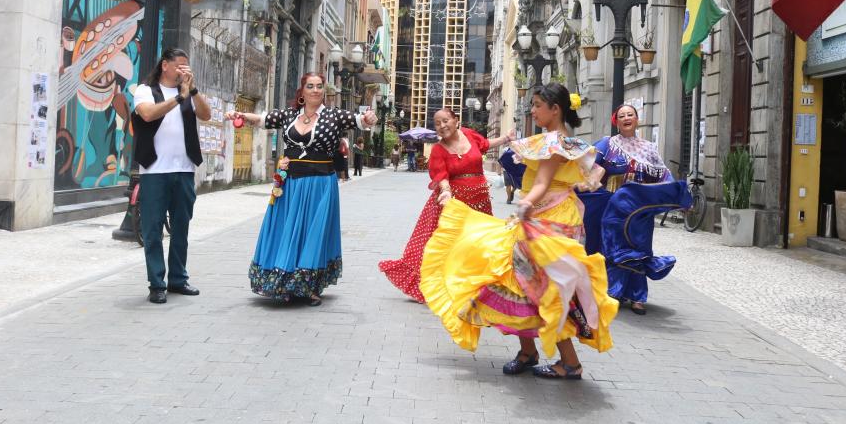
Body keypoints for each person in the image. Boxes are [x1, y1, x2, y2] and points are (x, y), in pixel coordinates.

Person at [420, 83, 618, 379]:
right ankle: (530, 352)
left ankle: (569, 362)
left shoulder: (554, 143)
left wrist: (525, 203)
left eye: (537, 105)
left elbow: (542, 182)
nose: (532, 110)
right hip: (549, 215)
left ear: (555, 109)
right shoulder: (558, 140)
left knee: (544, 287)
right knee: (523, 282)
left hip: (548, 219)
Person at [227, 73, 377, 306]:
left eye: (319, 86)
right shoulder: (289, 115)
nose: (315, 90)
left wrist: (369, 118)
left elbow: (361, 120)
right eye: (310, 86)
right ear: (303, 91)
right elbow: (262, 120)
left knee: (313, 233)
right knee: (287, 228)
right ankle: (285, 280)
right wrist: (241, 115)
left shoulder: (335, 116)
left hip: (320, 184)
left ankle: (309, 286)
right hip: (291, 184)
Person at [378, 109, 514, 303]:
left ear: (456, 121)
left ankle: (474, 285)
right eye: (437, 123)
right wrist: (446, 191)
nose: (442, 126)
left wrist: (505, 139)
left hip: (480, 202)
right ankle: (439, 286)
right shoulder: (438, 150)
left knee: (478, 242)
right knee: (446, 245)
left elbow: (485, 144)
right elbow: (441, 175)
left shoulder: (469, 135)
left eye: (445, 120)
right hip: (452, 204)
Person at [582, 103, 685, 315]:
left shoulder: (649, 149)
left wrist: (678, 196)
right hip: (613, 209)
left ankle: (637, 296)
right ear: (616, 121)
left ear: (637, 120)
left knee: (641, 250)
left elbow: (664, 176)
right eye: (622, 116)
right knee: (613, 249)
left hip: (640, 211)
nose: (626, 118)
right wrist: (593, 182)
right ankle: (612, 292)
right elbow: (589, 166)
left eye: (630, 114)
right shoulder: (607, 144)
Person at [132, 47, 212, 304]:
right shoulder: (145, 90)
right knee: (153, 228)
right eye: (179, 65)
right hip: (155, 171)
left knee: (181, 227)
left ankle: (178, 279)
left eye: (186, 66)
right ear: (165, 65)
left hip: (184, 169)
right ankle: (157, 284)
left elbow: (206, 115)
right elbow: (147, 114)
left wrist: (193, 91)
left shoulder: (188, 92)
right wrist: (179, 98)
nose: (183, 70)